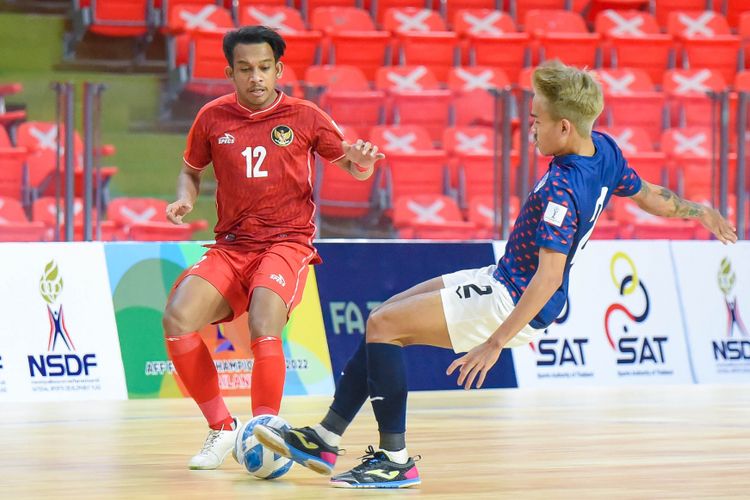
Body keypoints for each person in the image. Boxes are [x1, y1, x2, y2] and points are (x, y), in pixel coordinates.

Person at [253, 59, 739, 488]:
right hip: (502, 277)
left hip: (512, 300)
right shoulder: (604, 151)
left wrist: (494, 342)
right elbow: (651, 194)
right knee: (382, 317)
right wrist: (699, 211)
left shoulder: (563, 192)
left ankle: (394, 460)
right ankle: (324, 437)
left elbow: (547, 277)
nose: (530, 127)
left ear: (565, 127)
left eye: (537, 120)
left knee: (384, 328)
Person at [161, 25, 385, 470]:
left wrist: (360, 164)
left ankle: (266, 432)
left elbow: (352, 166)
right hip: (232, 245)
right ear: (230, 72)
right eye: (245, 69)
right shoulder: (211, 117)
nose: (256, 77)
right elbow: (190, 170)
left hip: (286, 242)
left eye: (264, 68)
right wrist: (186, 196)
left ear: (279, 69)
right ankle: (223, 428)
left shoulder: (305, 115)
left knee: (265, 317)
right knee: (177, 317)